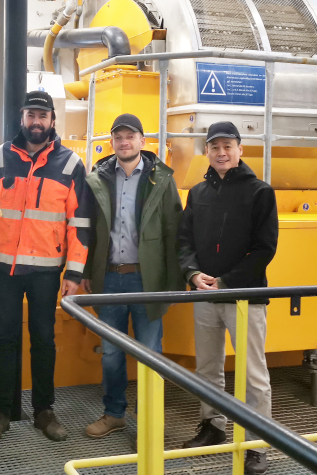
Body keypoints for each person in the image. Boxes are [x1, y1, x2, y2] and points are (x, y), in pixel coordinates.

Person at [0, 90, 92, 445]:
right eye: (31, 115)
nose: (36, 121)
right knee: (4, 339)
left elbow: (80, 223)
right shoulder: (1, 157)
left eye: (43, 116)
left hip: (46, 272)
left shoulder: (70, 164)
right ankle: (0, 412)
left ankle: (44, 411)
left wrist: (74, 273)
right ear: (22, 118)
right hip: (4, 270)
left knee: (44, 340)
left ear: (52, 120)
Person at [177, 121, 278, 475]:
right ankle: (213, 426)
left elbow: (264, 249)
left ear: (240, 149)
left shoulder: (259, 192)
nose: (221, 153)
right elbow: (185, 240)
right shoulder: (198, 193)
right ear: (206, 151)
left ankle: (257, 444)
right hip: (205, 295)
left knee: (253, 374)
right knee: (207, 367)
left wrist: (226, 282)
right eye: (214, 147)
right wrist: (192, 274)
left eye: (227, 146)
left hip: (244, 297)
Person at [81, 113, 184, 438]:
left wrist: (174, 283)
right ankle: (114, 414)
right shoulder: (97, 178)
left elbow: (174, 232)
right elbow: (89, 231)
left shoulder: (161, 180)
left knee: (150, 353)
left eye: (130, 136)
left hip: (147, 280)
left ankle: (150, 421)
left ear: (142, 140)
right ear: (112, 142)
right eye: (118, 137)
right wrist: (86, 271)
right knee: (111, 353)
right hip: (109, 278)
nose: (124, 142)